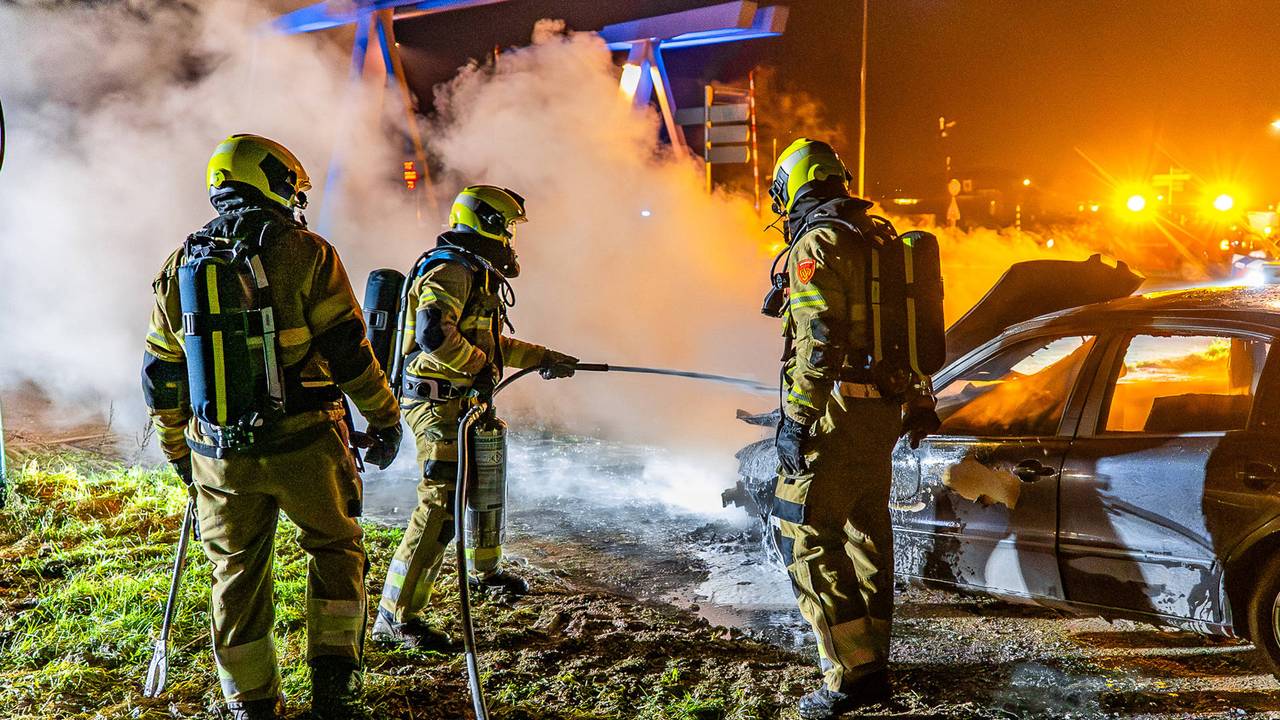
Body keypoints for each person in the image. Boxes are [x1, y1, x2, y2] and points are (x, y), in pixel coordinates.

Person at [142, 134, 402, 720]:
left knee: (234, 572)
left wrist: (180, 452)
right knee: (335, 550)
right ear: (272, 183)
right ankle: (335, 688)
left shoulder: (180, 264)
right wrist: (385, 417)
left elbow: (161, 374)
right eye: (290, 186)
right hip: (306, 444)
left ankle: (250, 701)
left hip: (218, 455)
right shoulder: (308, 253)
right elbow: (349, 352)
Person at [765, 138, 940, 718]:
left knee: (803, 530)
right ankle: (874, 662)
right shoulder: (879, 238)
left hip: (836, 410)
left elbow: (818, 343)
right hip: (883, 412)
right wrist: (919, 399)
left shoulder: (818, 243)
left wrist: (795, 421)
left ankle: (850, 675)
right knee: (867, 531)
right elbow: (904, 330)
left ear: (793, 186)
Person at [372, 184, 577, 649]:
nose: (511, 239)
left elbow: (488, 345)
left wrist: (543, 357)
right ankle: (395, 615)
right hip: (436, 403)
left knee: (484, 483)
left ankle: (484, 571)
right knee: (441, 501)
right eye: (507, 228)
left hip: (462, 401)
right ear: (487, 223)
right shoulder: (451, 270)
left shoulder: (474, 272)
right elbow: (433, 335)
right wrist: (481, 368)